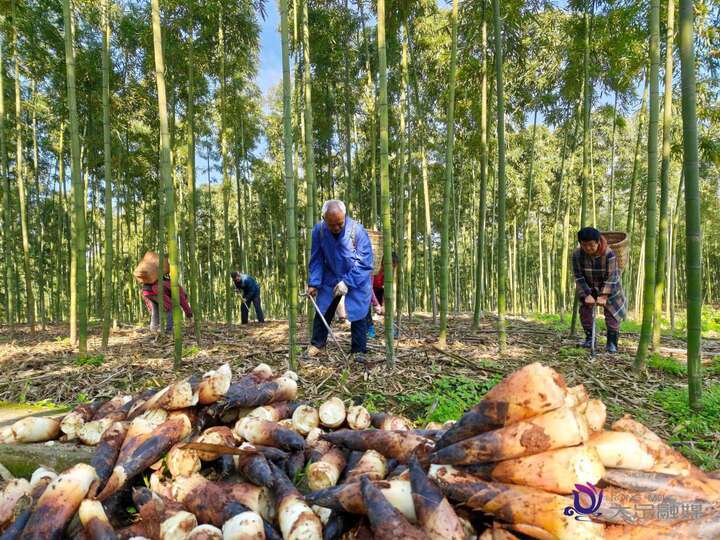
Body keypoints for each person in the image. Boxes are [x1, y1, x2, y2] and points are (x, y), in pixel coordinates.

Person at [307, 199, 373, 363]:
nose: (336, 228)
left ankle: (358, 350)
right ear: (324, 219)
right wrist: (314, 282)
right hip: (331, 274)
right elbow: (316, 259)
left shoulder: (358, 231)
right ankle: (317, 344)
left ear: (345, 216)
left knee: (359, 311)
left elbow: (365, 263)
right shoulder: (319, 231)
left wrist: (347, 282)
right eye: (332, 225)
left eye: (340, 223)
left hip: (356, 275)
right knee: (323, 307)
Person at [572, 227, 626, 353]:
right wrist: (587, 294)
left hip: (610, 287)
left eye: (591, 245)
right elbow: (578, 276)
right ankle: (590, 339)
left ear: (598, 242)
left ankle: (612, 343)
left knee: (612, 314)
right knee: (584, 311)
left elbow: (612, 276)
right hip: (589, 287)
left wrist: (604, 295)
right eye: (584, 245)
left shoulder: (609, 254)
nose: (588, 248)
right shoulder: (577, 255)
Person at [367, 252, 398, 339]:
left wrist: (384, 304)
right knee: (367, 309)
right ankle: (370, 329)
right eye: (392, 265)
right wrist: (376, 304)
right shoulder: (375, 270)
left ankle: (391, 328)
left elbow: (386, 290)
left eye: (394, 266)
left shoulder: (388, 274)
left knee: (387, 308)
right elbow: (369, 288)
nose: (392, 268)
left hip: (379, 290)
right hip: (368, 290)